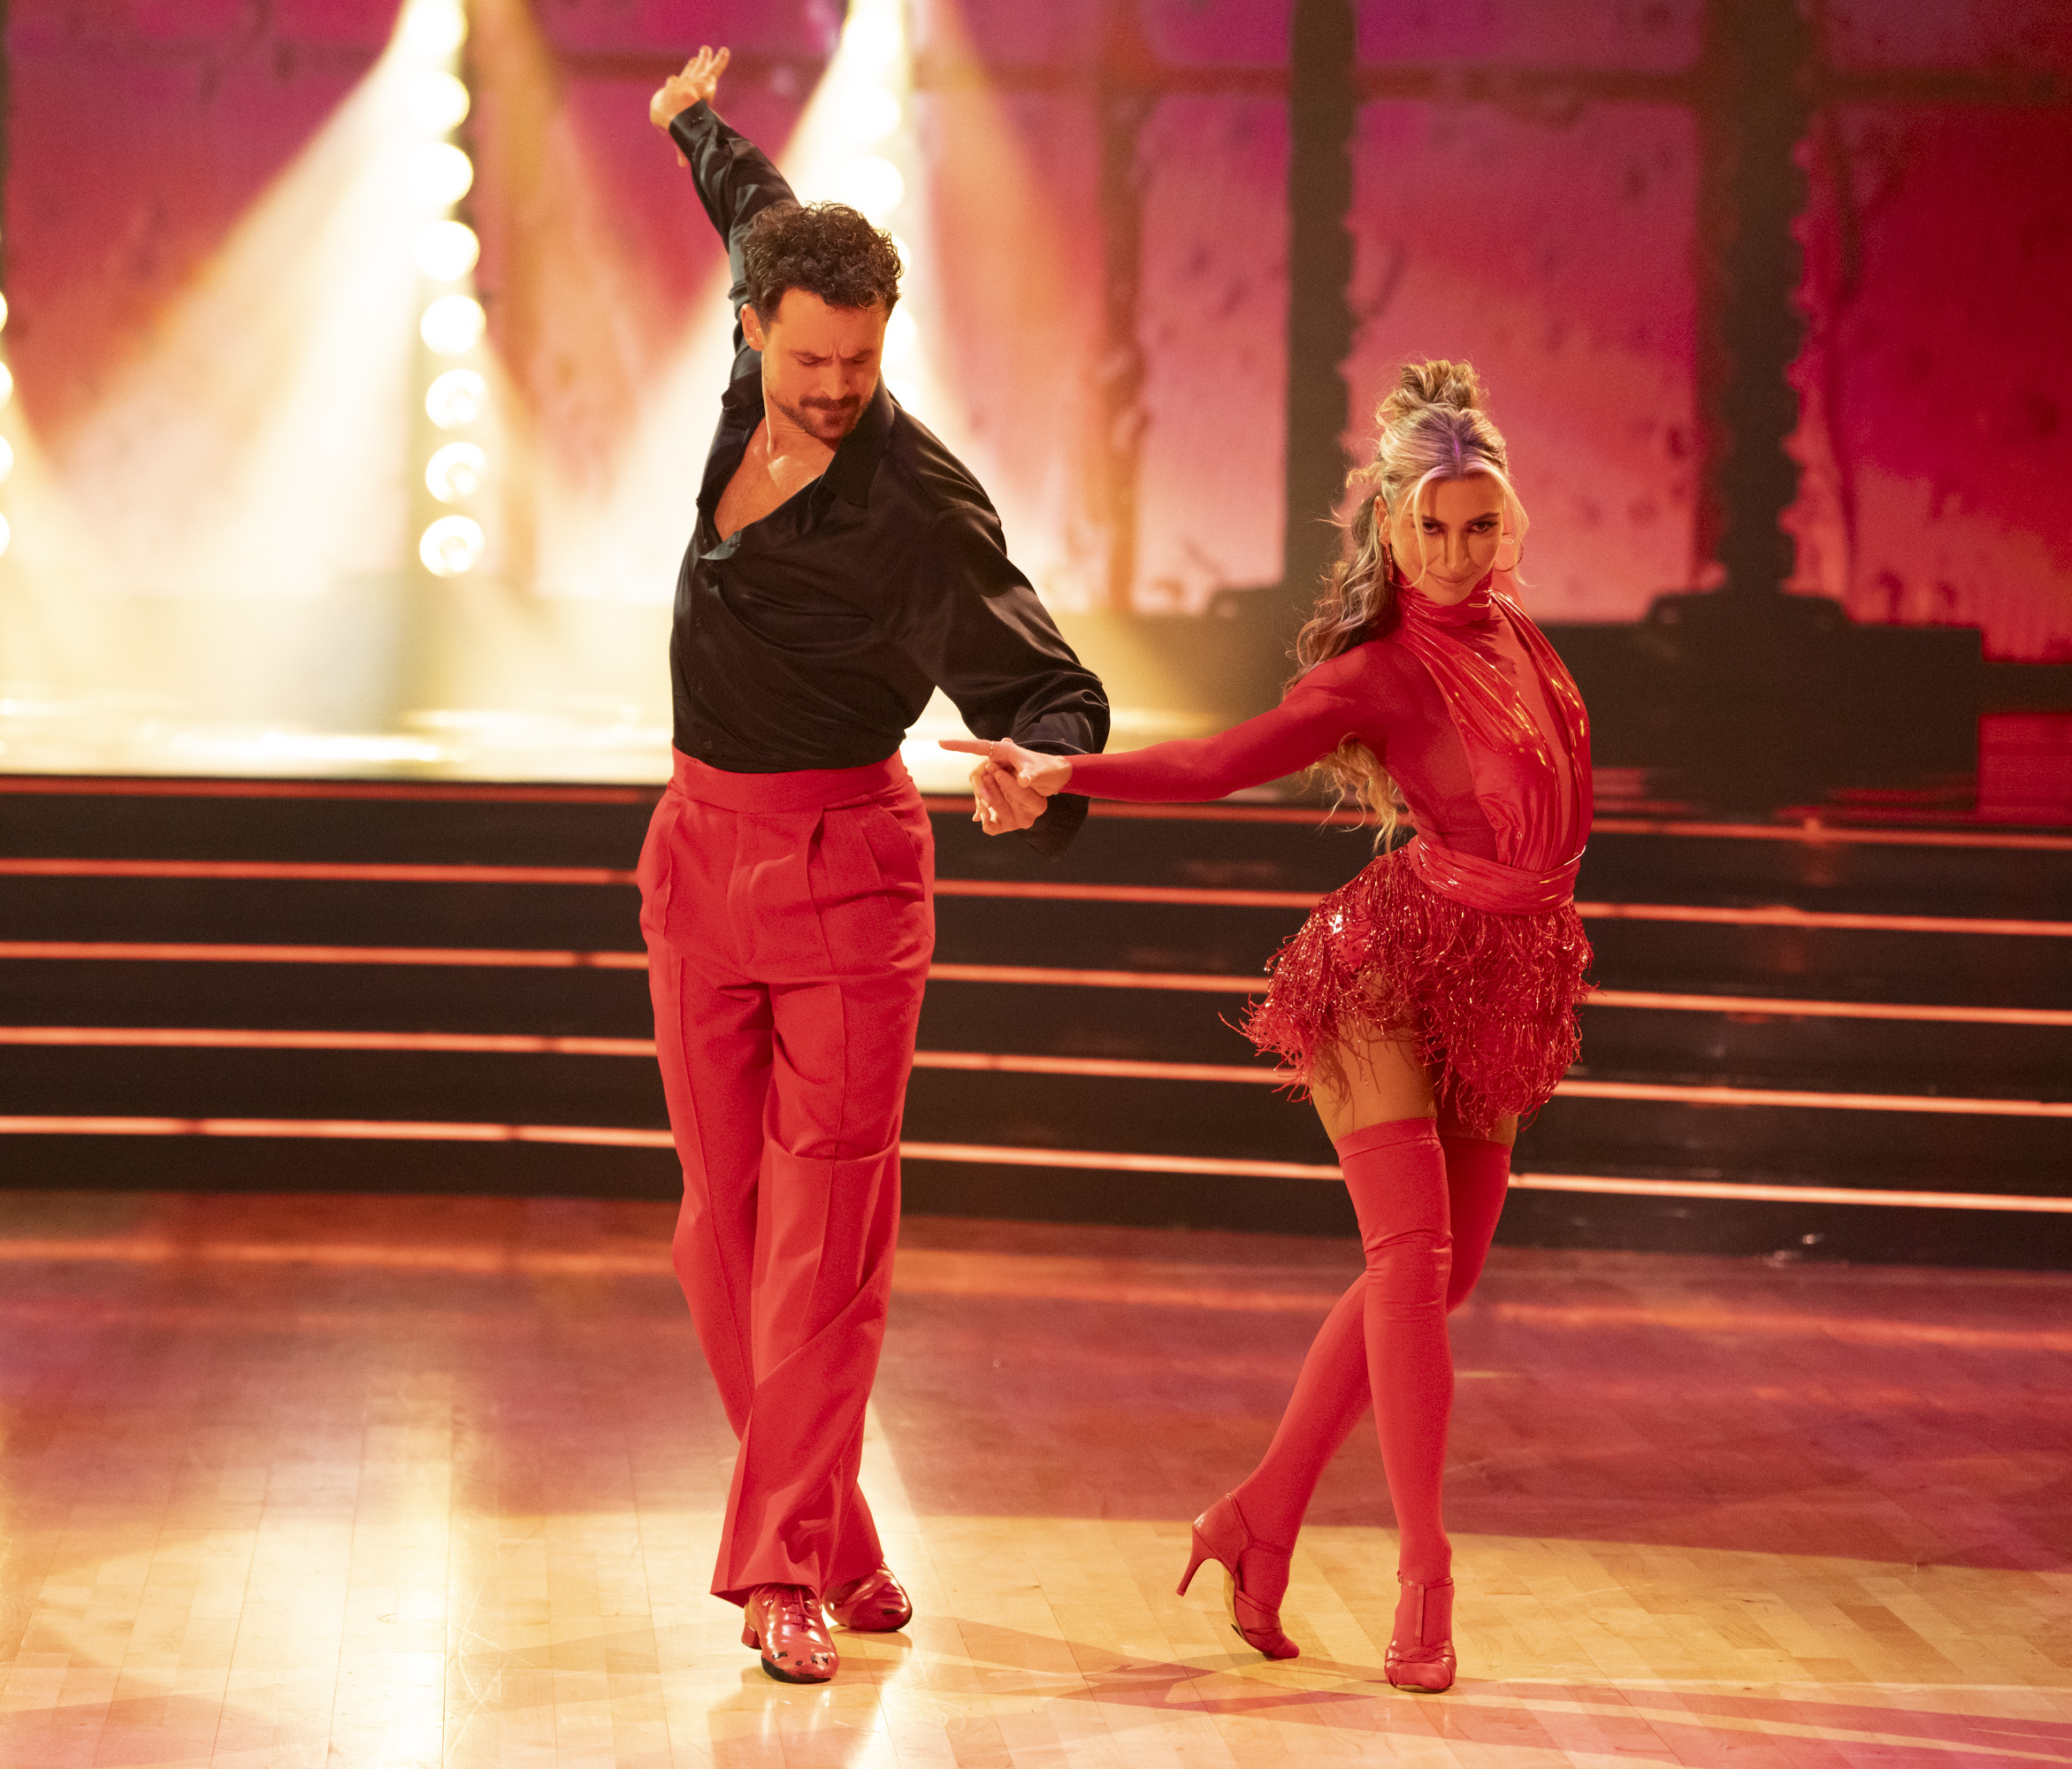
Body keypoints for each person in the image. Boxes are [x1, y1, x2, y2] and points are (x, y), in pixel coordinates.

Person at [947, 361, 1590, 1694]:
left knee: (1447, 1275)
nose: (1459, 553)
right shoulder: (1382, 671)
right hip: (1388, 967)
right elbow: (1222, 760)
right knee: (1411, 1262)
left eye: (1480, 525)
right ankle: (1425, 1583)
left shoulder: (1521, 636)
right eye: (1432, 528)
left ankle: (1256, 1516)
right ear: (1390, 531)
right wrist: (1067, 769)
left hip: (1510, 966)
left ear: (1507, 520)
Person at [640, 47, 1110, 1684]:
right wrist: (690, 123)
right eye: (813, 355)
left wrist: (1038, 770)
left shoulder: (915, 502)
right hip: (697, 855)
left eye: (863, 358)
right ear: (756, 327)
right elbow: (750, 202)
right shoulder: (758, 330)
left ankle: (781, 1570)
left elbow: (1053, 690)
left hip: (848, 872)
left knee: (821, 1241)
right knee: (720, 1225)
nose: (839, 385)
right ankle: (836, 1528)